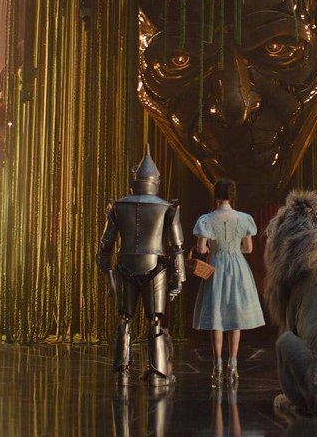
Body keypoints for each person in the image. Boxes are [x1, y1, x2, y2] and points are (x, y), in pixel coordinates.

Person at [97, 146, 185, 387]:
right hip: (155, 267)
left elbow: (105, 245)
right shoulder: (167, 208)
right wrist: (178, 279)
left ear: (135, 181)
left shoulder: (118, 206)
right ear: (156, 181)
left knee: (125, 318)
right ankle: (157, 371)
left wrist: (108, 273)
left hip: (125, 265)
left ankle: (122, 368)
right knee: (154, 320)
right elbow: (177, 247)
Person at [191, 179, 265, 386]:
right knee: (235, 316)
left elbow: (201, 249)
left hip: (216, 266)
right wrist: (233, 251)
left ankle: (217, 365)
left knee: (217, 316)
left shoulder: (207, 219)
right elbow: (248, 249)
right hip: (238, 267)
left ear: (216, 195)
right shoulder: (243, 218)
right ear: (233, 195)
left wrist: (213, 250)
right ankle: (233, 364)